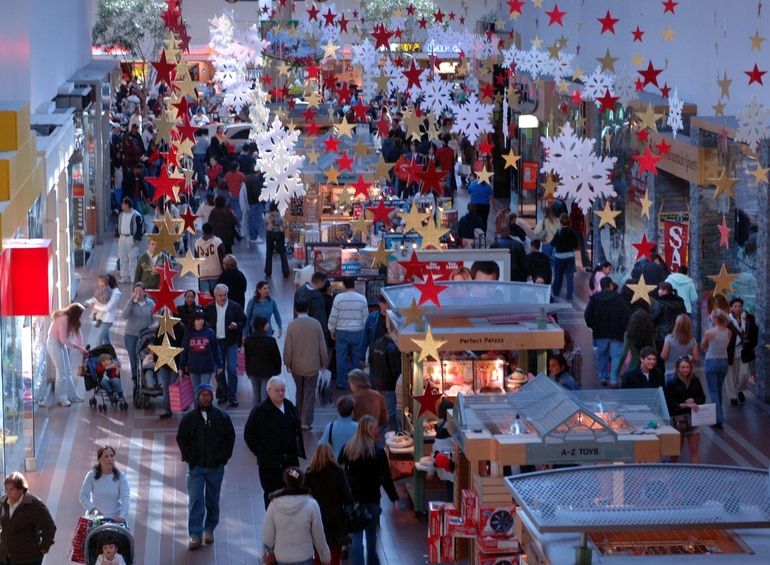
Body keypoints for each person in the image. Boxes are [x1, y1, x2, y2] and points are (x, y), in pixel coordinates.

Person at [176, 383, 236, 550]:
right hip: (196, 468)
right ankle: (195, 534)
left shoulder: (221, 417)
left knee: (212, 499)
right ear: (197, 397)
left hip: (215, 467)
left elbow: (230, 437)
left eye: (208, 394)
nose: (206, 397)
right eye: (202, 395)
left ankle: (209, 529)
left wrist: (223, 458)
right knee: (195, 500)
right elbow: (181, 438)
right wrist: (189, 457)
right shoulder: (189, 419)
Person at [338, 416, 400, 565]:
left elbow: (339, 464)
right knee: (372, 537)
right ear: (368, 430)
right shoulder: (377, 452)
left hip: (353, 499)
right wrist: (394, 497)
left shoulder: (348, 448)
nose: (377, 431)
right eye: (374, 428)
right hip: (372, 498)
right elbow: (385, 478)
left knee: (356, 537)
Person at [244, 376, 306, 509]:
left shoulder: (289, 406)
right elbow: (249, 435)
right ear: (269, 391)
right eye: (277, 390)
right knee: (271, 494)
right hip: (270, 465)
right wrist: (262, 452)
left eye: (283, 390)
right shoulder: (260, 411)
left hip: (290, 462)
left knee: (292, 490)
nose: (281, 393)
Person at [262, 467, 331, 565]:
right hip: (304, 556)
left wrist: (269, 551)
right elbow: (319, 534)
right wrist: (325, 557)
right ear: (302, 481)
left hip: (282, 556)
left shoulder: (274, 505)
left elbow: (267, 534)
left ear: (285, 481)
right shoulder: (311, 504)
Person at [305, 444, 354, 565]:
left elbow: (304, 496)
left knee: (318, 553)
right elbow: (347, 498)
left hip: (316, 517)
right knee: (335, 555)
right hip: (336, 519)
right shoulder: (338, 472)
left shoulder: (310, 474)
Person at [285, 300, 329, 429]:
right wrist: (323, 361)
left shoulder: (292, 325)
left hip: (297, 365)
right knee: (309, 392)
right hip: (313, 365)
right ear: (308, 310)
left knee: (299, 390)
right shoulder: (316, 324)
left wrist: (287, 362)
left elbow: (288, 347)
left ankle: (297, 416)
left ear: (296, 310)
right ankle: (306, 421)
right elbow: (322, 345)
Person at [203, 284, 247, 407]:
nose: (223, 298)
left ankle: (232, 395)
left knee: (232, 369)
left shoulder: (235, 307)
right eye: (221, 295)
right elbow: (203, 322)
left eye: (225, 295)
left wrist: (236, 325)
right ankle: (223, 393)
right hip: (216, 343)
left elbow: (243, 320)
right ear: (215, 296)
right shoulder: (209, 308)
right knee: (219, 370)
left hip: (231, 342)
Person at [0, 472, 57, 565]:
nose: (8, 492)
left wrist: (44, 548)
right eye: (6, 489)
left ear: (21, 489)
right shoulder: (3, 502)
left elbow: (49, 527)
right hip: (5, 558)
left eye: (11, 489)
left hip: (27, 559)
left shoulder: (34, 505)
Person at [584, 277, 630, 387]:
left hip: (600, 332)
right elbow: (625, 315)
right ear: (611, 285)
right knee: (616, 356)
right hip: (616, 333)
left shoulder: (595, 299)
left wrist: (592, 326)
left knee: (602, 355)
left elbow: (587, 315)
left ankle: (603, 377)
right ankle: (614, 379)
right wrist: (625, 328)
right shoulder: (618, 299)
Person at [328, 277, 369, 391]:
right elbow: (365, 318)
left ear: (343, 285)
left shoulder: (338, 298)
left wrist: (331, 329)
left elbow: (333, 316)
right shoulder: (362, 299)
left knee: (341, 358)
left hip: (342, 332)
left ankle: (341, 383)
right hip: (358, 332)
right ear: (354, 285)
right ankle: (357, 385)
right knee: (357, 359)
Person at [664, 356, 705, 463]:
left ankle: (696, 476)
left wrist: (694, 400)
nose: (685, 369)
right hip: (678, 420)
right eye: (683, 367)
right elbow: (670, 404)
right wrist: (685, 404)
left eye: (687, 367)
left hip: (693, 419)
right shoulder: (671, 383)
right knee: (676, 451)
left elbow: (702, 397)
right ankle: (674, 474)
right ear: (678, 368)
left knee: (694, 450)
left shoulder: (695, 380)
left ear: (691, 368)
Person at [46, 303, 87, 407]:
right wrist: (79, 348)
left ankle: (72, 396)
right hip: (53, 343)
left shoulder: (73, 319)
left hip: (59, 344)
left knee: (67, 370)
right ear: (75, 313)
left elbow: (79, 333)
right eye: (80, 314)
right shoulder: (63, 319)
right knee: (62, 372)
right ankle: (61, 399)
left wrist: (82, 346)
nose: (81, 317)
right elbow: (63, 339)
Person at [78, 445, 130, 523]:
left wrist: (122, 516)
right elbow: (83, 496)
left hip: (115, 519)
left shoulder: (121, 476)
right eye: (106, 456)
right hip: (95, 518)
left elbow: (126, 498)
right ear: (99, 460)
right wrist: (92, 508)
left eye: (112, 456)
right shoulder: (91, 475)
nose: (110, 458)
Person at [701, 308, 732, 429]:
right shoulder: (729, 332)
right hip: (723, 360)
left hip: (711, 360)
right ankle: (719, 415)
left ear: (715, 319)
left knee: (713, 391)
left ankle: (718, 418)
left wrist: (707, 345)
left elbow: (702, 346)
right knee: (719, 389)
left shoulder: (710, 332)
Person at [179, 311, 223, 393]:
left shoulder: (210, 333)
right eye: (198, 319)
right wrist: (181, 367)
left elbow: (216, 350)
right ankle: (197, 406)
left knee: (204, 390)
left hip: (207, 367)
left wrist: (219, 364)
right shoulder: (188, 334)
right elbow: (184, 351)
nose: (200, 321)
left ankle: (205, 405)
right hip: (193, 367)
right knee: (196, 391)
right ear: (193, 321)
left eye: (202, 319)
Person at [243, 316, 282, 407]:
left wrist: (248, 370)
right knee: (265, 395)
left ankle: (255, 415)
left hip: (253, 371)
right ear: (262, 326)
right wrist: (277, 370)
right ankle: (264, 416)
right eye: (266, 323)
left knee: (256, 395)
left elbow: (247, 357)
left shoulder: (248, 340)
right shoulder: (270, 341)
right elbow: (276, 357)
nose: (268, 325)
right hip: (266, 371)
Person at [726, 297, 758, 406]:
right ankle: (733, 396)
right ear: (731, 308)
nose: (738, 308)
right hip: (731, 351)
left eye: (740, 306)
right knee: (731, 375)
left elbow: (754, 332)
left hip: (745, 350)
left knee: (744, 374)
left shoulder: (748, 318)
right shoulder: (727, 320)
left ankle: (739, 390)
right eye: (735, 306)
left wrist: (750, 342)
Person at [370, 324, 402, 432]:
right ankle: (391, 437)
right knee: (391, 414)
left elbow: (371, 362)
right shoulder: (393, 348)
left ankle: (382, 434)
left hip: (377, 383)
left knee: (381, 413)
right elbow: (396, 370)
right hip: (389, 386)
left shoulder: (376, 343)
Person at [122, 282, 156, 383]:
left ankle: (146, 378)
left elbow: (156, 319)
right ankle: (135, 380)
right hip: (131, 334)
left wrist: (155, 325)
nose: (138, 293)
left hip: (146, 335)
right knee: (133, 357)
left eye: (140, 291)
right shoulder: (131, 303)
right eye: (136, 291)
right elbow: (124, 316)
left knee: (145, 357)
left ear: (145, 292)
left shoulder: (151, 304)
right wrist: (131, 302)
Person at [661, 314, 700, 383]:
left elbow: (663, 356)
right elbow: (696, 358)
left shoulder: (669, 339)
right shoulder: (692, 340)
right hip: (686, 373)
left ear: (676, 325)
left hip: (671, 372)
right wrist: (690, 357)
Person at [85, 274, 121, 347]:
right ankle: (112, 356)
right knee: (106, 340)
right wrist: (87, 303)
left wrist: (94, 306)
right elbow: (96, 298)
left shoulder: (116, 293)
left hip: (107, 320)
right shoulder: (104, 290)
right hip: (101, 318)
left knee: (99, 341)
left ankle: (100, 357)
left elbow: (108, 308)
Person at [650, 282, 687, 353]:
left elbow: (652, 318)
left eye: (662, 289)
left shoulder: (658, 303)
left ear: (667, 291)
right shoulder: (680, 302)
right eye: (659, 289)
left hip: (662, 335)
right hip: (679, 333)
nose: (659, 291)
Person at [349, 369, 388, 434]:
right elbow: (384, 419)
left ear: (355, 383)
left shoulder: (352, 399)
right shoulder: (378, 396)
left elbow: (348, 420)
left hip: (357, 436)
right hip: (373, 435)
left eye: (350, 383)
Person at [114, 198, 144, 284]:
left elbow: (140, 228)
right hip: (122, 237)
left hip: (131, 238)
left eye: (123, 204)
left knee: (132, 258)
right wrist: (116, 235)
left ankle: (133, 277)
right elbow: (118, 225)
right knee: (122, 257)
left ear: (127, 205)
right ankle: (124, 276)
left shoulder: (136, 215)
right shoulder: (121, 215)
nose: (122, 206)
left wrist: (137, 238)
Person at [550, 214, 579, 300]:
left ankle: (555, 292)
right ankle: (569, 295)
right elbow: (576, 245)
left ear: (560, 222)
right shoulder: (572, 232)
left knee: (558, 276)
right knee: (570, 277)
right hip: (570, 256)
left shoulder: (559, 232)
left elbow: (552, 243)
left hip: (559, 257)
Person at [319, 396, 358, 461]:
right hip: (353, 463)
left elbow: (322, 444)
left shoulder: (330, 426)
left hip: (336, 463)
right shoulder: (358, 427)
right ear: (352, 412)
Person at [294, 272, 330, 338]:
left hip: (300, 328)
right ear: (320, 282)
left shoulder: (300, 290)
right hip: (314, 331)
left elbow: (295, 310)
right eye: (324, 282)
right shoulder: (318, 297)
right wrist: (325, 332)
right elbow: (320, 316)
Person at [357, 295, 388, 369]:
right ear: (379, 303)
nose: (386, 305)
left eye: (387, 302)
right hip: (375, 353)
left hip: (389, 354)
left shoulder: (395, 317)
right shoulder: (372, 318)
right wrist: (362, 355)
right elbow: (365, 337)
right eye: (384, 302)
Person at [620, 309, 656, 374]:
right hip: (647, 367)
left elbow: (624, 354)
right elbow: (654, 351)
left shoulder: (628, 335)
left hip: (633, 366)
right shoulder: (650, 334)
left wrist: (618, 369)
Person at [195, 222, 225, 295]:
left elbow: (196, 260)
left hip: (203, 273)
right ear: (212, 230)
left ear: (203, 230)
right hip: (216, 272)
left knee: (205, 299)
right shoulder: (218, 241)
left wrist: (198, 274)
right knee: (217, 297)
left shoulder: (197, 242)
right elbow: (222, 258)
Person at [265, 202, 291, 278]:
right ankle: (285, 270)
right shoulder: (280, 215)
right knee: (282, 252)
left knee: (269, 253)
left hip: (270, 233)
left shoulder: (268, 215)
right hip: (279, 233)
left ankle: (268, 271)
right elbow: (285, 225)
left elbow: (265, 224)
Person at [245, 170, 265, 245]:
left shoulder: (248, 178)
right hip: (256, 202)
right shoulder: (255, 180)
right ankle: (254, 237)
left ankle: (251, 236)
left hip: (250, 202)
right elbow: (257, 192)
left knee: (251, 220)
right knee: (255, 220)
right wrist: (262, 200)